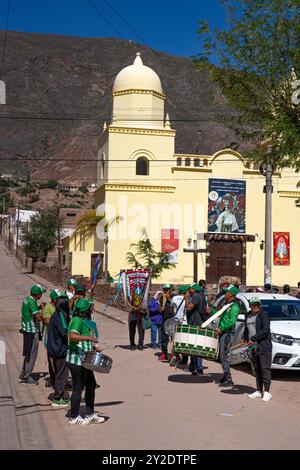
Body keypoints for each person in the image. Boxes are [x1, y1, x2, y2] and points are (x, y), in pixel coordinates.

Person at [66, 298, 105, 425]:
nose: (91, 310)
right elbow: (72, 336)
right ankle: (73, 417)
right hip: (76, 360)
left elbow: (82, 341)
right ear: (85, 310)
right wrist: (89, 337)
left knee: (91, 385)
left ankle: (90, 414)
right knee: (78, 388)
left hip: (85, 360)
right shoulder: (77, 320)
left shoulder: (84, 321)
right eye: (90, 308)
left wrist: (93, 347)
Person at [245, 297, 272, 402]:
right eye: (253, 304)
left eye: (257, 304)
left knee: (265, 369)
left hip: (264, 346)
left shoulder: (263, 315)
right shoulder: (248, 315)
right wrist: (245, 338)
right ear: (250, 305)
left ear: (259, 305)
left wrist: (253, 338)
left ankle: (267, 392)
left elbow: (265, 331)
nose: (255, 306)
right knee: (257, 370)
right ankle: (259, 390)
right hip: (253, 347)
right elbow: (247, 329)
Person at [19, 284, 47, 384]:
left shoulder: (28, 299)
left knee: (28, 353)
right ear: (37, 294)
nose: (41, 295)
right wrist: (43, 310)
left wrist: (39, 307)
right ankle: (26, 376)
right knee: (32, 355)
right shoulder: (32, 302)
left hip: (27, 329)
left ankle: (23, 373)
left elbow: (32, 311)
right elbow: (38, 318)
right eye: (41, 293)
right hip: (31, 331)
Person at [47, 294, 70, 407]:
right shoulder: (60, 315)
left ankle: (58, 395)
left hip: (54, 348)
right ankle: (57, 398)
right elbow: (64, 333)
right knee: (62, 374)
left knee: (58, 373)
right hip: (59, 349)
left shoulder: (56, 314)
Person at [215, 285, 240, 387]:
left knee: (223, 355)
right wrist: (211, 312)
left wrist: (222, 328)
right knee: (222, 355)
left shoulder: (234, 306)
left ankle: (228, 378)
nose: (225, 294)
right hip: (224, 333)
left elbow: (232, 321)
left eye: (226, 292)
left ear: (231, 294)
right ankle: (226, 376)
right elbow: (222, 316)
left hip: (227, 333)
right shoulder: (227, 304)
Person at [184, 284, 206, 375]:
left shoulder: (196, 297)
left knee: (196, 345)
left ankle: (198, 367)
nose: (188, 290)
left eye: (190, 289)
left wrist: (185, 299)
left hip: (196, 323)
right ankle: (194, 366)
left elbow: (189, 308)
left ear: (194, 289)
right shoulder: (197, 296)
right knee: (194, 346)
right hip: (194, 322)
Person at [42, 289, 61, 387]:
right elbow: (47, 321)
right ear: (54, 299)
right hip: (50, 337)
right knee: (52, 360)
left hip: (58, 337)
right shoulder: (48, 308)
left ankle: (59, 379)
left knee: (60, 360)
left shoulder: (59, 307)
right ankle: (54, 379)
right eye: (58, 298)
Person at [158, 284, 173, 361]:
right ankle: (164, 353)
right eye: (164, 289)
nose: (166, 291)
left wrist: (169, 298)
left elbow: (174, 306)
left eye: (167, 289)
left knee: (173, 337)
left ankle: (174, 354)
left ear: (170, 289)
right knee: (163, 337)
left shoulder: (174, 297)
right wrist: (161, 309)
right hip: (164, 319)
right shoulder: (161, 298)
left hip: (172, 319)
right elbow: (159, 309)